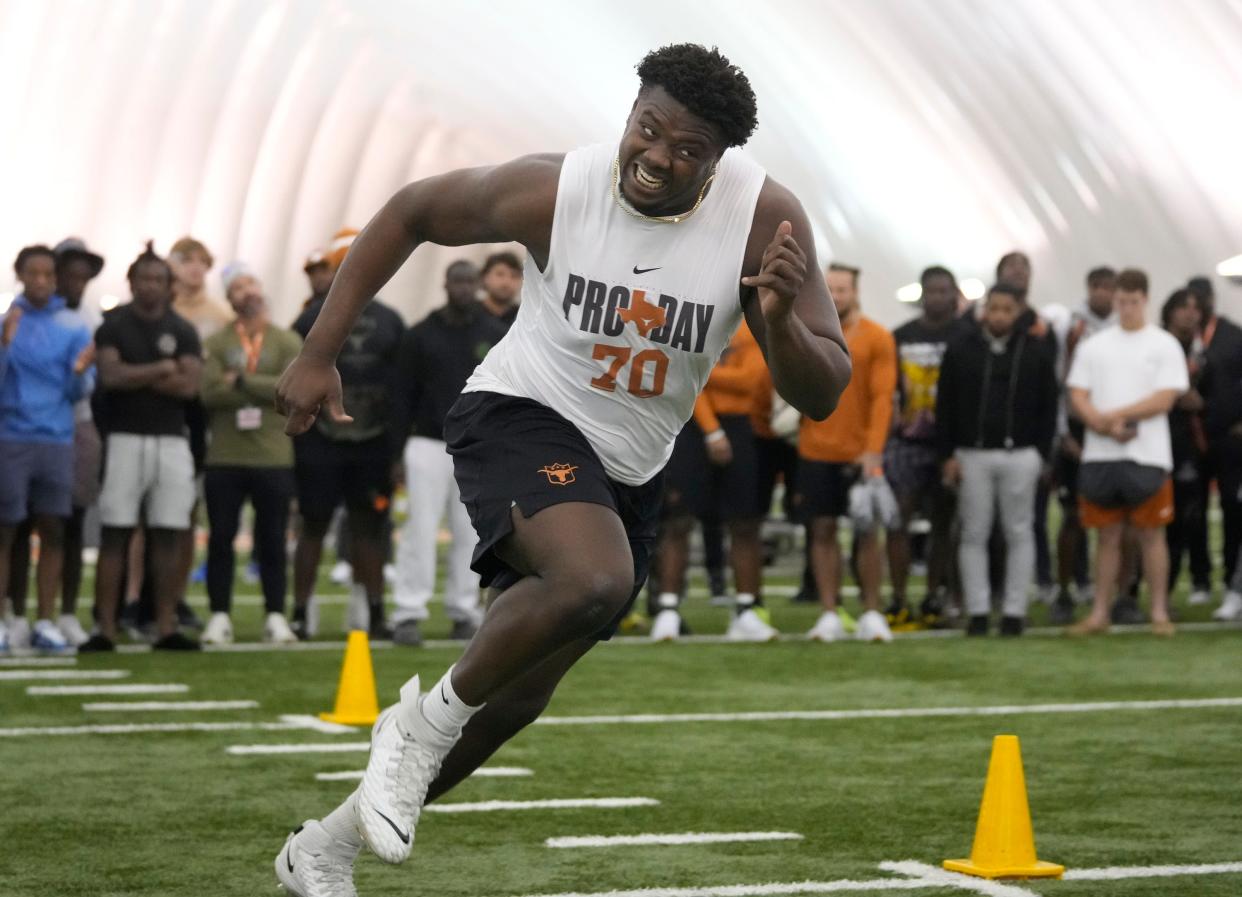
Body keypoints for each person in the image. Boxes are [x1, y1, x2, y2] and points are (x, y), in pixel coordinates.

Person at [271, 43, 849, 893]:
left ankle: (323, 846)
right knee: (592, 577)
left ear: (719, 160)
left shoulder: (765, 220)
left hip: (631, 463)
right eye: (646, 130)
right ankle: (416, 725)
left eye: (685, 150)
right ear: (630, 113)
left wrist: (780, 323)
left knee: (515, 696)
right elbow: (409, 212)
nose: (655, 157)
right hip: (520, 412)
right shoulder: (558, 189)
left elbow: (825, 389)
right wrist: (320, 352)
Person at [80, 243, 203, 652]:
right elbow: (110, 377)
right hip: (124, 439)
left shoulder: (183, 330)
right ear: (131, 283)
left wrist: (140, 375)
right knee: (116, 531)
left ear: (169, 286)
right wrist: (163, 368)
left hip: (171, 440)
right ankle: (106, 629)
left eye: (157, 279)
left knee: (168, 532)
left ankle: (165, 626)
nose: (150, 286)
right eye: (143, 279)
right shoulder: (113, 326)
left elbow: (189, 387)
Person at [290, 230, 404, 641]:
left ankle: (373, 613)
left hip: (372, 442)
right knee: (313, 524)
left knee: (370, 527)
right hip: (319, 439)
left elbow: (399, 390)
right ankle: (301, 611)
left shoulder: (391, 320)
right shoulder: (309, 318)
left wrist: (395, 450)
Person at [389, 260, 508, 647]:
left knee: (471, 534)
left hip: (478, 448)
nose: (463, 288)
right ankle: (408, 612)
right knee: (418, 530)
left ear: (477, 286)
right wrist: (395, 455)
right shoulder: (421, 334)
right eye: (457, 280)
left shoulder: (497, 333)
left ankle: (464, 611)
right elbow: (401, 397)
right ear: (445, 284)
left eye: (469, 281)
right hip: (426, 443)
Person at [1066, 269, 1186, 637]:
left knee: (1152, 535)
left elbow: (1166, 397)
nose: (1127, 308)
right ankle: (1100, 612)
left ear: (1145, 300)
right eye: (1121, 301)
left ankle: (1159, 613)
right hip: (1101, 455)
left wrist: (1115, 417)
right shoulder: (1093, 346)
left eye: (1134, 301)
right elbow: (1077, 395)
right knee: (1107, 536)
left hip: (1148, 455)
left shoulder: (1163, 344)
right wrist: (1100, 425)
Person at [937, 283, 1058, 636]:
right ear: (984, 310)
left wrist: (1040, 454)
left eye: (1008, 309)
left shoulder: (1035, 352)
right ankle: (977, 610)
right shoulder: (961, 350)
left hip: (1020, 455)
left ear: (1018, 312)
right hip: (972, 455)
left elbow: (1049, 407)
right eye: (995, 308)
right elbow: (945, 405)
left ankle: (1014, 611)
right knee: (974, 532)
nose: (1000, 316)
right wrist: (947, 454)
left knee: (1019, 531)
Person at [4, 238, 106, 647]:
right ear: (21, 276)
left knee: (53, 528)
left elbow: (77, 390)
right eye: (34, 273)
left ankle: (45, 620)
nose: (42, 281)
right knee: (7, 530)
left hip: (57, 439)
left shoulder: (72, 325)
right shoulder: (7, 321)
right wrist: (4, 345)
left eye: (48, 274)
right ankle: (7, 618)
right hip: (10, 436)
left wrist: (82, 371)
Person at [651, 319, 778, 642]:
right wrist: (711, 429)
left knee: (746, 522)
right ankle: (667, 609)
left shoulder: (753, 326)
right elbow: (683, 380)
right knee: (678, 521)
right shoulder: (697, 319)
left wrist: (703, 373)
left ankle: (747, 609)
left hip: (742, 425)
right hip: (692, 422)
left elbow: (751, 380)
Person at [199, 265, 302, 645]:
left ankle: (276, 615)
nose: (247, 292)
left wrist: (240, 380)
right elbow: (208, 392)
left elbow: (290, 389)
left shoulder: (286, 340)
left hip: (273, 456)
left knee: (273, 539)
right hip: (224, 456)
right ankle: (219, 615)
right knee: (220, 537)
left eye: (250, 284)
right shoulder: (217, 342)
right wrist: (263, 387)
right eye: (237, 288)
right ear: (229, 298)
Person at [796, 263, 896, 643]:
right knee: (821, 530)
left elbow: (883, 398)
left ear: (855, 292)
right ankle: (829, 612)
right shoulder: (807, 332)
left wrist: (873, 451)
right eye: (831, 289)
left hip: (860, 455)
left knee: (868, 534)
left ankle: (872, 611)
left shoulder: (878, 337)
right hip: (815, 449)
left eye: (843, 289)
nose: (836, 296)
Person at [884, 265, 971, 624]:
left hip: (949, 443)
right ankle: (899, 595)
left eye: (943, 291)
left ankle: (937, 592)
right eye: (931, 291)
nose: (937, 297)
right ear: (921, 295)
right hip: (907, 441)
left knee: (944, 521)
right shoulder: (900, 336)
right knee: (898, 518)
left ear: (955, 295)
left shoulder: (968, 336)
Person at [1048, 267, 1116, 624]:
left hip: (1113, 428)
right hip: (1077, 426)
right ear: (1089, 288)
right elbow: (1061, 383)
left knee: (1117, 518)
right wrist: (1064, 433)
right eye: (1099, 287)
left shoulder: (1125, 327)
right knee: (1072, 516)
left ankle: (1117, 593)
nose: (1104, 294)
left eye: (1111, 288)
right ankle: (1063, 590)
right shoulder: (1070, 327)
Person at [1193, 276, 1242, 621]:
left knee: (1233, 510)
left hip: (1229, 437)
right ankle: (1199, 581)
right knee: (1190, 513)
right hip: (1191, 438)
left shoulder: (1233, 336)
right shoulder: (1175, 338)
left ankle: (1232, 585)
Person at [1160, 289, 1212, 607]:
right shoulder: (1156, 345)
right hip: (1157, 442)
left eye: (1195, 308)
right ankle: (1142, 589)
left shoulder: (1206, 349)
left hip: (1193, 444)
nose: (1189, 313)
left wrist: (1201, 402)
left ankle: (1195, 579)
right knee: (1153, 523)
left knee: (1190, 517)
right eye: (1183, 307)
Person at [479, 251, 523, 327]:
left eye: (514, 276)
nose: (506, 282)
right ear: (485, 277)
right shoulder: (466, 317)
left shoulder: (525, 318)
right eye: (500, 274)